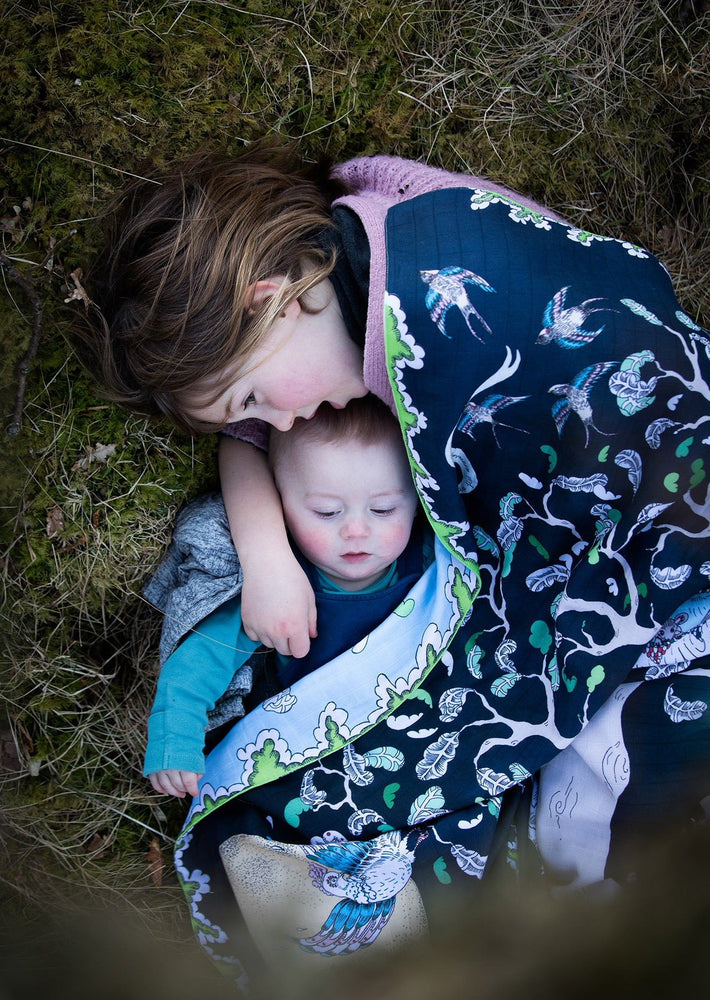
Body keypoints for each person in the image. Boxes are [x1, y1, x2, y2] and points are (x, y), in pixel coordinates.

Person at [77, 143, 710, 979]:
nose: (274, 423)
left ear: (274, 299)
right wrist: (266, 556)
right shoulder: (354, 251)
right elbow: (244, 444)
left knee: (643, 780)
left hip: (673, 532)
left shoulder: (426, 305)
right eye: (251, 413)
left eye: (257, 397)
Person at [145, 394, 423, 799]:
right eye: (327, 512)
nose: (356, 531)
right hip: (309, 757)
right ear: (280, 506)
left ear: (418, 502)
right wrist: (177, 737)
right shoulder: (280, 591)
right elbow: (203, 657)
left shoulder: (435, 568)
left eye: (383, 509)